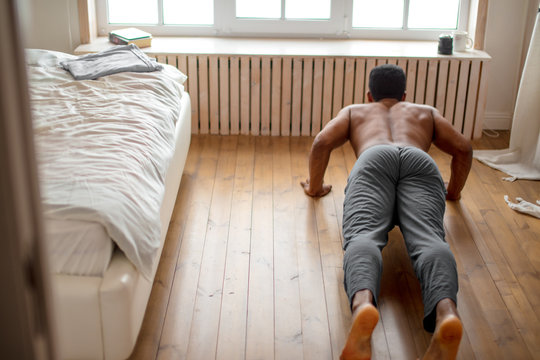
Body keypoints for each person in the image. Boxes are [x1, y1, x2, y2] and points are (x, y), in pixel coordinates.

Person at [301, 64, 472, 360]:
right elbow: (464, 148)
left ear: (369, 95)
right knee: (431, 240)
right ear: (405, 95)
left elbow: (322, 142)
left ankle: (364, 306)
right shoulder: (425, 111)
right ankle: (446, 313)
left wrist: (315, 187)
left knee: (363, 237)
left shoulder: (356, 110)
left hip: (374, 158)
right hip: (419, 160)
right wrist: (453, 192)